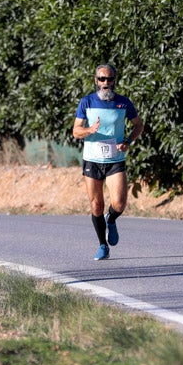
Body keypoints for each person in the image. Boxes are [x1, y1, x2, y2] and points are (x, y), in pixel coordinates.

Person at [72, 63, 144, 260]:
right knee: (96, 205)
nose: (105, 82)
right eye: (102, 79)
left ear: (114, 81)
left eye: (109, 79)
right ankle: (103, 245)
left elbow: (138, 125)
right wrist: (89, 130)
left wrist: (128, 141)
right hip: (92, 160)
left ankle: (110, 219)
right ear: (96, 81)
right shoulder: (86, 102)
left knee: (119, 203)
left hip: (115, 159)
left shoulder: (123, 103)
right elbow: (76, 131)